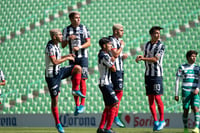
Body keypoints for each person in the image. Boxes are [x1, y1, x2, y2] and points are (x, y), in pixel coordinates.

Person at [45, 29, 83, 133]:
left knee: (78, 68)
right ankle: (58, 123)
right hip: (52, 76)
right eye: (60, 35)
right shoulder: (50, 47)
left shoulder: (57, 45)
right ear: (54, 37)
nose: (62, 36)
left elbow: (58, 58)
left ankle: (75, 89)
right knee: (55, 101)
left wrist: (67, 56)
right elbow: (55, 61)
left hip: (59, 71)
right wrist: (67, 59)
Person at [135, 26, 165, 131]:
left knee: (157, 97)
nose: (158, 35)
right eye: (156, 33)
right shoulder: (147, 45)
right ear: (151, 34)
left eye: (159, 33)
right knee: (150, 99)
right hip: (148, 74)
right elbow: (146, 56)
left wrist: (143, 58)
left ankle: (162, 120)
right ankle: (156, 121)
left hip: (157, 75)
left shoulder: (161, 46)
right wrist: (141, 57)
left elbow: (155, 59)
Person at [62, 11, 91, 116]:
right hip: (73, 58)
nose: (78, 19)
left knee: (83, 79)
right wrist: (68, 39)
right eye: (76, 18)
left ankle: (82, 104)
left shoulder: (84, 28)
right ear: (71, 19)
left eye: (79, 17)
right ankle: (77, 105)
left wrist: (80, 47)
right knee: (74, 80)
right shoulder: (66, 30)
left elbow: (89, 42)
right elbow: (63, 45)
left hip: (83, 57)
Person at [174, 50, 200, 133]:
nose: (194, 58)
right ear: (188, 57)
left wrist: (198, 89)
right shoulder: (182, 67)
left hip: (195, 91)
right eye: (192, 56)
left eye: (195, 56)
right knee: (186, 109)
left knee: (196, 108)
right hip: (185, 91)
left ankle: (197, 127)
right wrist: (176, 94)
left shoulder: (198, 68)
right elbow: (177, 80)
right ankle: (185, 128)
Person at [97, 37, 118, 133]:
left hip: (104, 83)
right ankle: (108, 129)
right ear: (104, 46)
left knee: (108, 106)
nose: (111, 45)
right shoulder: (104, 56)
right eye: (109, 44)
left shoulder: (103, 54)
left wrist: (111, 60)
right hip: (105, 83)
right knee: (115, 104)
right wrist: (112, 61)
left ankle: (101, 128)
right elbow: (113, 69)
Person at [108, 24, 128, 128]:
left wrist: (122, 56)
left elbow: (117, 55)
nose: (123, 32)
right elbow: (115, 54)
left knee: (117, 94)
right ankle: (114, 116)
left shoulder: (116, 41)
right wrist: (122, 47)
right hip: (116, 70)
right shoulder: (112, 41)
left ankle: (111, 119)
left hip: (120, 69)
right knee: (118, 93)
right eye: (121, 30)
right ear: (116, 31)